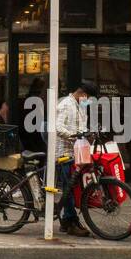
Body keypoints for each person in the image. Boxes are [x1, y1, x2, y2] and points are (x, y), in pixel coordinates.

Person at [54, 80, 94, 237]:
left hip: (76, 152)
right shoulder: (66, 104)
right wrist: (74, 136)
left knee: (72, 186)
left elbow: (82, 125)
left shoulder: (81, 105)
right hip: (64, 153)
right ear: (83, 94)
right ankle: (70, 221)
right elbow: (58, 127)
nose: (89, 101)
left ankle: (67, 221)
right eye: (89, 98)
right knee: (68, 188)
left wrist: (88, 134)